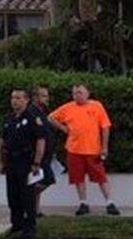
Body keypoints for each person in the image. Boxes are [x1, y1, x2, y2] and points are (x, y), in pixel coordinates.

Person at [49, 83, 119, 216]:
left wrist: (104, 146)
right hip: (74, 150)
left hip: (93, 150)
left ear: (88, 93)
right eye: (74, 93)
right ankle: (83, 203)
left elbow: (105, 127)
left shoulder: (97, 106)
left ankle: (110, 202)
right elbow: (51, 117)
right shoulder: (68, 107)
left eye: (80, 92)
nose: (77, 96)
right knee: (78, 178)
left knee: (100, 177)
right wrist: (64, 128)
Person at [0, 89, 46, 238]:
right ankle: (16, 224)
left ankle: (30, 226)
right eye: (13, 98)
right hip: (11, 161)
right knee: (13, 195)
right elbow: (2, 141)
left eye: (18, 98)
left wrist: (37, 162)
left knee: (27, 196)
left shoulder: (33, 118)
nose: (14, 101)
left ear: (26, 100)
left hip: (26, 162)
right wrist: (0, 161)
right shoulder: (9, 118)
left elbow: (41, 140)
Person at [28, 85, 58, 220]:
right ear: (36, 97)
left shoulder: (42, 112)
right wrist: (37, 159)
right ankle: (27, 200)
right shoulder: (32, 113)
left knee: (38, 181)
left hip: (46, 154)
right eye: (44, 96)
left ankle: (35, 210)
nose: (47, 99)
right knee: (47, 180)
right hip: (38, 156)